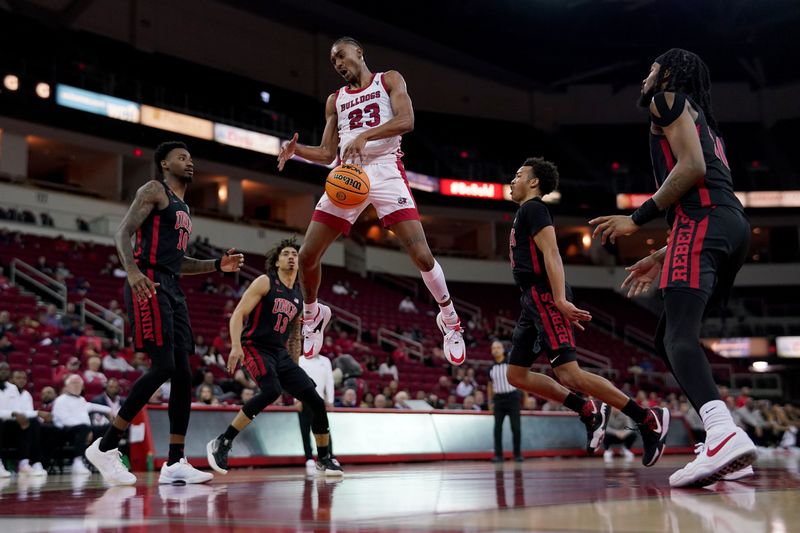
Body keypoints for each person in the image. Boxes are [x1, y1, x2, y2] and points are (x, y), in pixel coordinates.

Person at [589, 49, 757, 487]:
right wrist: (663, 253)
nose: (645, 76)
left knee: (678, 336)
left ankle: (721, 434)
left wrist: (636, 218)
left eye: (650, 69)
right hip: (727, 224)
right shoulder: (705, 121)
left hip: (703, 221)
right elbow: (712, 188)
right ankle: (724, 435)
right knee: (669, 336)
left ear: (667, 72)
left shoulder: (667, 100)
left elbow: (693, 168)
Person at [277, 36, 465, 366]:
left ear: (359, 52)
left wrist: (366, 135)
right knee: (307, 256)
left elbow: (407, 121)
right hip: (347, 174)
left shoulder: (389, 79)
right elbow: (325, 152)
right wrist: (297, 152)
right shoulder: (334, 100)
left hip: (385, 169)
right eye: (332, 60)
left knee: (421, 255)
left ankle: (450, 319)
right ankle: (312, 315)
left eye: (340, 55)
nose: (336, 62)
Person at [86, 141, 244, 486]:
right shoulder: (154, 190)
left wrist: (217, 265)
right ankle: (106, 445)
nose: (189, 163)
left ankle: (174, 462)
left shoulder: (184, 207)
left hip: (172, 286)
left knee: (185, 374)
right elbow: (122, 232)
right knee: (164, 367)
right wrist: (131, 272)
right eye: (181, 158)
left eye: (191, 158)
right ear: (164, 164)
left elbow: (181, 262)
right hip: (148, 281)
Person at [506, 157, 668, 464]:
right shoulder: (524, 212)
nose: (512, 181)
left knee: (570, 374)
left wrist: (559, 299)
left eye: (518, 175)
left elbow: (552, 253)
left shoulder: (534, 208)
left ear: (534, 182)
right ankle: (587, 408)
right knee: (516, 375)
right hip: (531, 299)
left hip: (544, 293)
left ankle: (647, 418)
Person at [206, 238, 342, 476]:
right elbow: (238, 313)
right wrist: (235, 345)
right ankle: (223, 441)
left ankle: (324, 458)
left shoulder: (299, 295)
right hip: (254, 345)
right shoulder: (265, 281)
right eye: (286, 253)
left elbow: (294, 337)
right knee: (271, 391)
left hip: (280, 352)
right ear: (277, 260)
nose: (291, 257)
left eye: (295, 254)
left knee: (316, 401)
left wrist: (295, 367)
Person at [53, 375, 113, 475]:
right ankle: (77, 462)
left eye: (79, 384)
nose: (77, 386)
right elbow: (64, 421)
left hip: (84, 430)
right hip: (65, 431)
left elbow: (93, 406)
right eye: (74, 383)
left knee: (108, 428)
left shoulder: (81, 400)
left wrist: (110, 411)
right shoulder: (61, 400)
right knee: (83, 428)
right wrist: (87, 429)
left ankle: (105, 460)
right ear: (66, 387)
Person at [0, 366, 47, 476]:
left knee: (32, 422)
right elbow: (12, 412)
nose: (3, 372)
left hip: (9, 423)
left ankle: (24, 463)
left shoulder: (12, 388)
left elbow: (18, 410)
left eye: (6, 369)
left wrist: (36, 414)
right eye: (1, 369)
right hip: (2, 423)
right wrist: (13, 414)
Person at [298, 347, 336, 475]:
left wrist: (330, 399)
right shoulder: (300, 360)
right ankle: (309, 457)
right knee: (305, 429)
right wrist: (295, 399)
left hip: (321, 400)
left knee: (325, 428)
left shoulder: (325, 361)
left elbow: (330, 380)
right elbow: (293, 380)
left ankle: (328, 456)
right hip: (304, 399)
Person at [488, 340, 522, 462]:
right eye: (494, 348)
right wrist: (490, 402)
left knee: (516, 428)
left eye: (498, 347)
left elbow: (520, 379)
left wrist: (526, 398)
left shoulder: (511, 364)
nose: (496, 349)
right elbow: (490, 386)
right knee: (497, 428)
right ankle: (498, 455)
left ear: (503, 349)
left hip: (512, 397)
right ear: (492, 351)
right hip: (498, 400)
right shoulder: (490, 368)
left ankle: (517, 454)